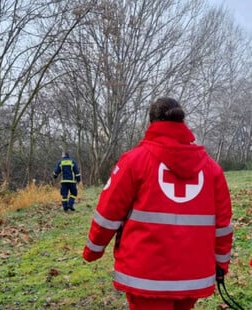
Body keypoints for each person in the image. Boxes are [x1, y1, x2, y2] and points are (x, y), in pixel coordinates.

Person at [82, 97, 233, 310]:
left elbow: (108, 212)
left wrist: (92, 251)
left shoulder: (134, 162)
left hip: (146, 275)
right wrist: (221, 265)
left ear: (151, 123)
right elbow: (223, 226)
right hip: (192, 275)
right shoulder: (212, 169)